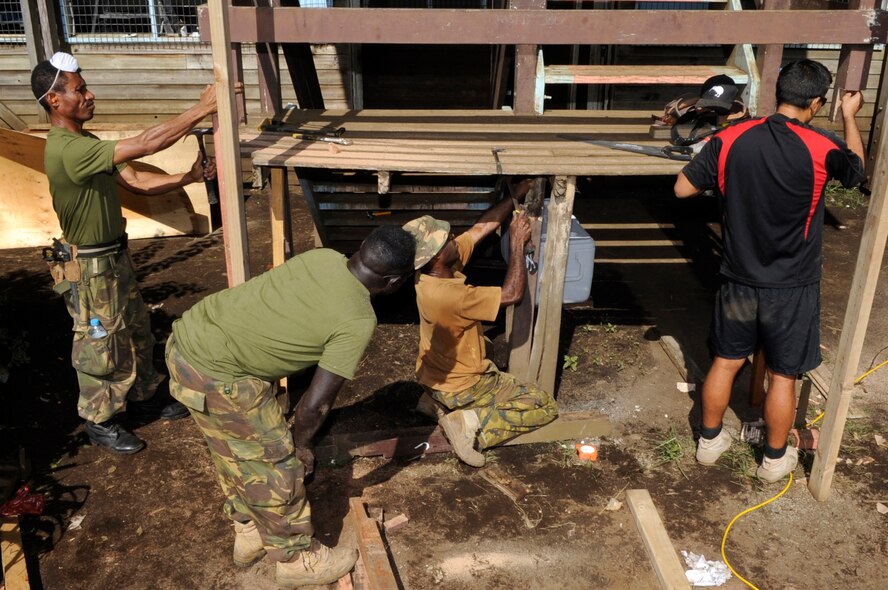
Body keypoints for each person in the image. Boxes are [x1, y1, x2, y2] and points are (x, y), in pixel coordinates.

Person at [165, 226, 415, 587]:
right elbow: (315, 406)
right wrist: (300, 445)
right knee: (276, 466)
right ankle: (297, 559)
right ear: (394, 281)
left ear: (360, 248)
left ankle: (250, 530)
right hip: (221, 373)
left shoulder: (323, 257)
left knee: (231, 450)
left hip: (187, 341)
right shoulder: (358, 319)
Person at [30, 52, 238, 454]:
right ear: (54, 101)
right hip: (89, 267)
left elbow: (139, 180)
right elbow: (146, 143)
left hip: (113, 256)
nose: (89, 96)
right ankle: (99, 420)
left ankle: (145, 398)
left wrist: (189, 176)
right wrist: (203, 108)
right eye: (80, 90)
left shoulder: (85, 142)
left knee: (136, 328)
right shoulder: (66, 149)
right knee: (99, 342)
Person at [674, 59, 866, 482]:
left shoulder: (731, 138)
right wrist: (850, 116)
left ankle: (709, 442)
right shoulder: (821, 145)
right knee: (784, 373)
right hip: (791, 287)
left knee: (725, 361)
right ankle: (775, 461)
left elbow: (682, 188)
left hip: (739, 280)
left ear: (778, 92)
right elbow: (856, 171)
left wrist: (723, 179)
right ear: (815, 102)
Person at [402, 182, 559, 467]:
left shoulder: (433, 271)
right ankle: (468, 423)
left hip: (433, 375)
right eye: (448, 238)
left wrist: (516, 196)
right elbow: (512, 294)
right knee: (541, 404)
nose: (454, 238)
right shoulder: (450, 296)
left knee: (484, 344)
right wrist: (516, 245)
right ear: (437, 255)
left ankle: (434, 401)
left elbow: (478, 230)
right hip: (463, 384)